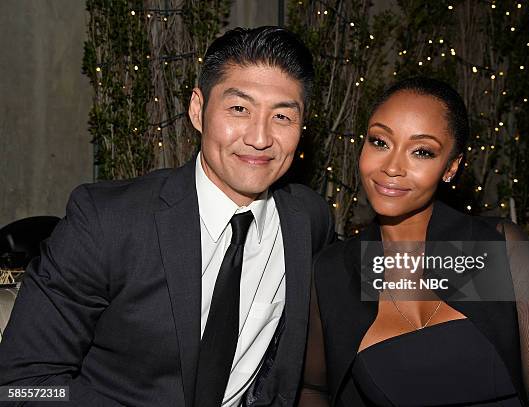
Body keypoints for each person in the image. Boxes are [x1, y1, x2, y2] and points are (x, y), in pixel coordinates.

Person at [0, 26, 335, 407]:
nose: (259, 138)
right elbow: (21, 385)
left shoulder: (307, 220)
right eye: (239, 108)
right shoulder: (107, 223)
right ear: (198, 109)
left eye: (282, 117)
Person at [299, 77, 529, 406]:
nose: (392, 167)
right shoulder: (333, 272)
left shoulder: (497, 248)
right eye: (380, 142)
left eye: (421, 151)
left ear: (451, 167)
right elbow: (314, 389)